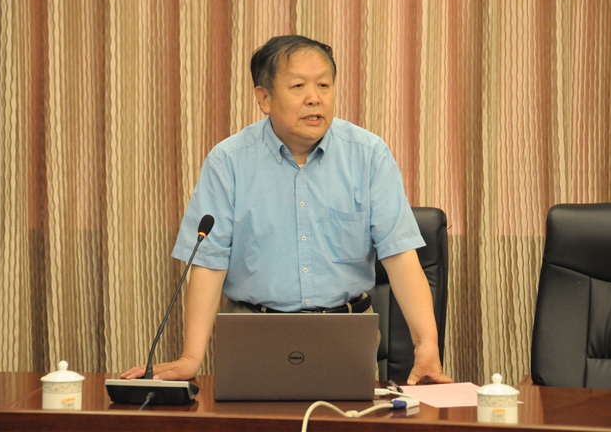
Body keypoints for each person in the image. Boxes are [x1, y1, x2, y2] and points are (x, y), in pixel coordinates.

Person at [122, 35, 452, 386]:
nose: (315, 98)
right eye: (298, 86)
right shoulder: (228, 161)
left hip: (345, 333)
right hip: (253, 333)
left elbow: (399, 255)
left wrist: (426, 344)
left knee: (347, 416)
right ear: (264, 98)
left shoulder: (369, 155)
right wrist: (191, 357)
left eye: (324, 85)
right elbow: (209, 262)